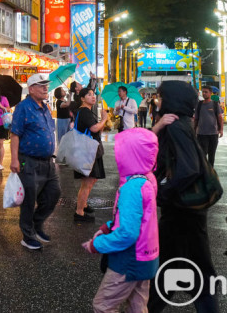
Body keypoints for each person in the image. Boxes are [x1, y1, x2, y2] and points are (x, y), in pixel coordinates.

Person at [148, 81, 218, 312]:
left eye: (161, 97)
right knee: (182, 267)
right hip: (185, 210)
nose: (158, 101)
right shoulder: (180, 123)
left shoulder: (176, 126)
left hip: (182, 211)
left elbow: (189, 168)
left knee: (187, 268)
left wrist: (162, 193)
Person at [82, 128, 160, 312]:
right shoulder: (147, 178)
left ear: (130, 155)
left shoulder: (132, 188)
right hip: (146, 255)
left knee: (103, 306)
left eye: (121, 151)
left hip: (129, 259)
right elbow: (141, 218)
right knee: (137, 306)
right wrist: (109, 226)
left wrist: (98, 244)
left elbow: (127, 234)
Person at [10, 73, 60, 251]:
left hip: (48, 162)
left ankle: (36, 224)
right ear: (31, 89)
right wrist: (14, 159)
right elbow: (15, 134)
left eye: (46, 85)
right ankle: (27, 235)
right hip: (28, 161)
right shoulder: (23, 107)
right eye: (41, 85)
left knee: (53, 194)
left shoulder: (45, 107)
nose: (46, 88)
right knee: (29, 200)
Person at [74, 87, 108, 223]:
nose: (92, 97)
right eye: (89, 95)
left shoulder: (86, 111)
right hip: (88, 151)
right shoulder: (85, 112)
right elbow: (94, 128)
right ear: (82, 98)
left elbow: (94, 129)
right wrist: (104, 119)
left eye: (93, 95)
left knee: (91, 180)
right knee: (87, 182)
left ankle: (84, 205)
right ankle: (79, 213)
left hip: (87, 149)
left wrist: (101, 122)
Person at [193, 85, 224, 167]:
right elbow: (196, 119)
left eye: (206, 92)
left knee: (212, 155)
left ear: (210, 93)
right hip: (201, 134)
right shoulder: (199, 105)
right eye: (203, 92)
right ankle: (204, 171)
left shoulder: (215, 104)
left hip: (213, 133)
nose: (204, 93)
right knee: (203, 154)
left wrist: (221, 130)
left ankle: (210, 172)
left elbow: (220, 117)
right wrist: (193, 130)